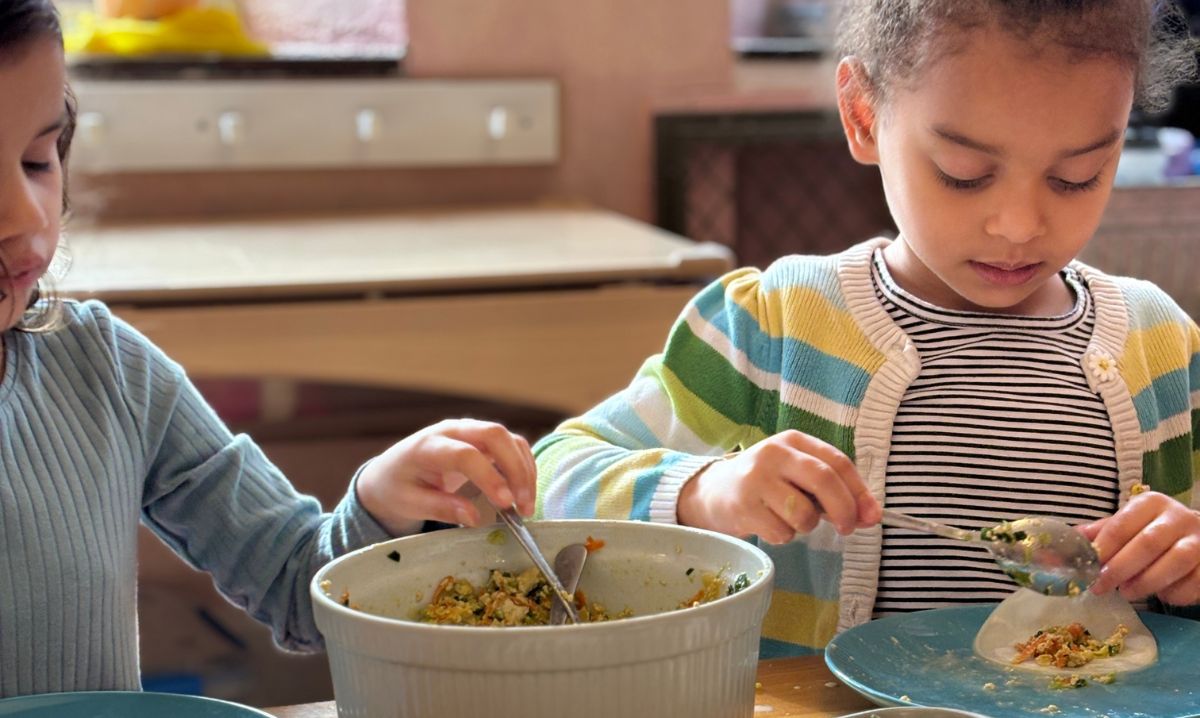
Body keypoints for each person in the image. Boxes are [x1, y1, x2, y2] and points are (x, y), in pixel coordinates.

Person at [535, 0, 1200, 658]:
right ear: (863, 115)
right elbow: (551, 479)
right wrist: (704, 490)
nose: (1019, 224)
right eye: (963, 175)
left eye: (1075, 177)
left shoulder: (1163, 350)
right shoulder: (772, 326)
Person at [0, 0, 537, 698]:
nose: (26, 214)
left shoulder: (107, 371)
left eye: (37, 160)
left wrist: (380, 499)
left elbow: (295, 583)